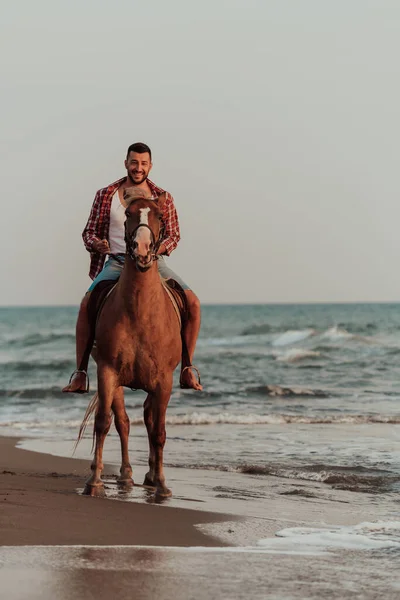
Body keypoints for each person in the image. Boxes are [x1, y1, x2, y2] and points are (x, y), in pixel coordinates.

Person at [63, 142, 202, 392]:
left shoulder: (162, 198)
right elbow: (89, 232)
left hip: (154, 263)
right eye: (134, 162)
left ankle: (187, 368)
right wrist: (98, 244)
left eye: (144, 163)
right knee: (86, 304)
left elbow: (174, 235)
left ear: (150, 166)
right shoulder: (106, 195)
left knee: (192, 303)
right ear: (126, 163)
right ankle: (81, 373)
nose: (139, 168)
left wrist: (154, 250)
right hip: (117, 261)